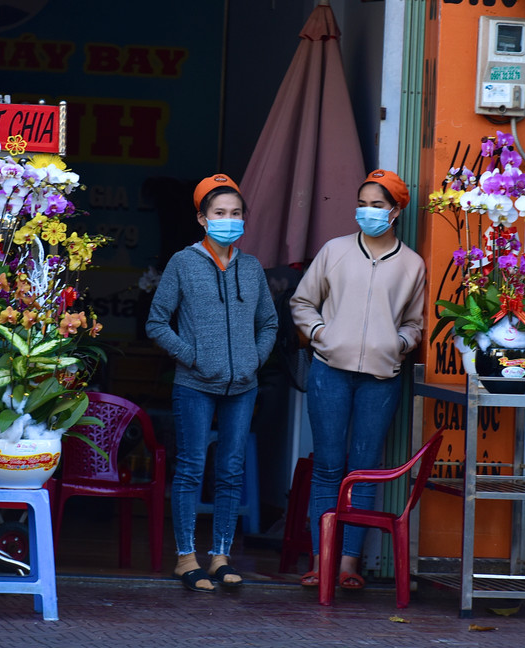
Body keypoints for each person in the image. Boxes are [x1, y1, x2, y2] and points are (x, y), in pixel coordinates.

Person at [289, 169, 426, 590]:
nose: (366, 211)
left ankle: (349, 564)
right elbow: (303, 301)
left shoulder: (411, 265)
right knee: (329, 468)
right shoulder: (334, 251)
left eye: (377, 205)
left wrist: (397, 344)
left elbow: (415, 324)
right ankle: (321, 560)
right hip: (329, 372)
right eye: (362, 203)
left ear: (396, 210)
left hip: (381, 379)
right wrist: (319, 335)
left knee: (365, 469)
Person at [146, 174, 278, 592]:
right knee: (190, 469)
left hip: (242, 386)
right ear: (202, 219)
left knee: (231, 471)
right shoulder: (183, 263)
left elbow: (269, 323)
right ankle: (186, 558)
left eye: (235, 213)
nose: (229, 220)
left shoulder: (252, 267)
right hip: (194, 385)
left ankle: (220, 556)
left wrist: (253, 359)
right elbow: (156, 322)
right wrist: (194, 357)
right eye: (220, 213)